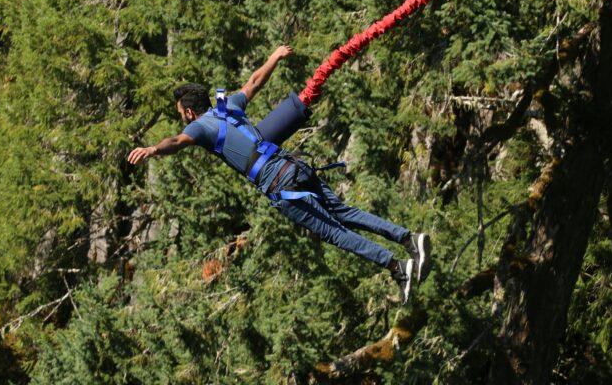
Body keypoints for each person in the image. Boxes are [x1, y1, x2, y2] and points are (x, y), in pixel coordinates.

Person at [127, 45, 431, 303]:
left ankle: (397, 266)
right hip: (293, 165)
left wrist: (154, 149)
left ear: (190, 113)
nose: (183, 120)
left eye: (181, 114)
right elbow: (254, 83)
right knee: (343, 211)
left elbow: (177, 142)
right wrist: (274, 57)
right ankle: (408, 239)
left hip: (277, 182)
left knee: (334, 232)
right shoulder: (227, 105)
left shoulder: (198, 127)